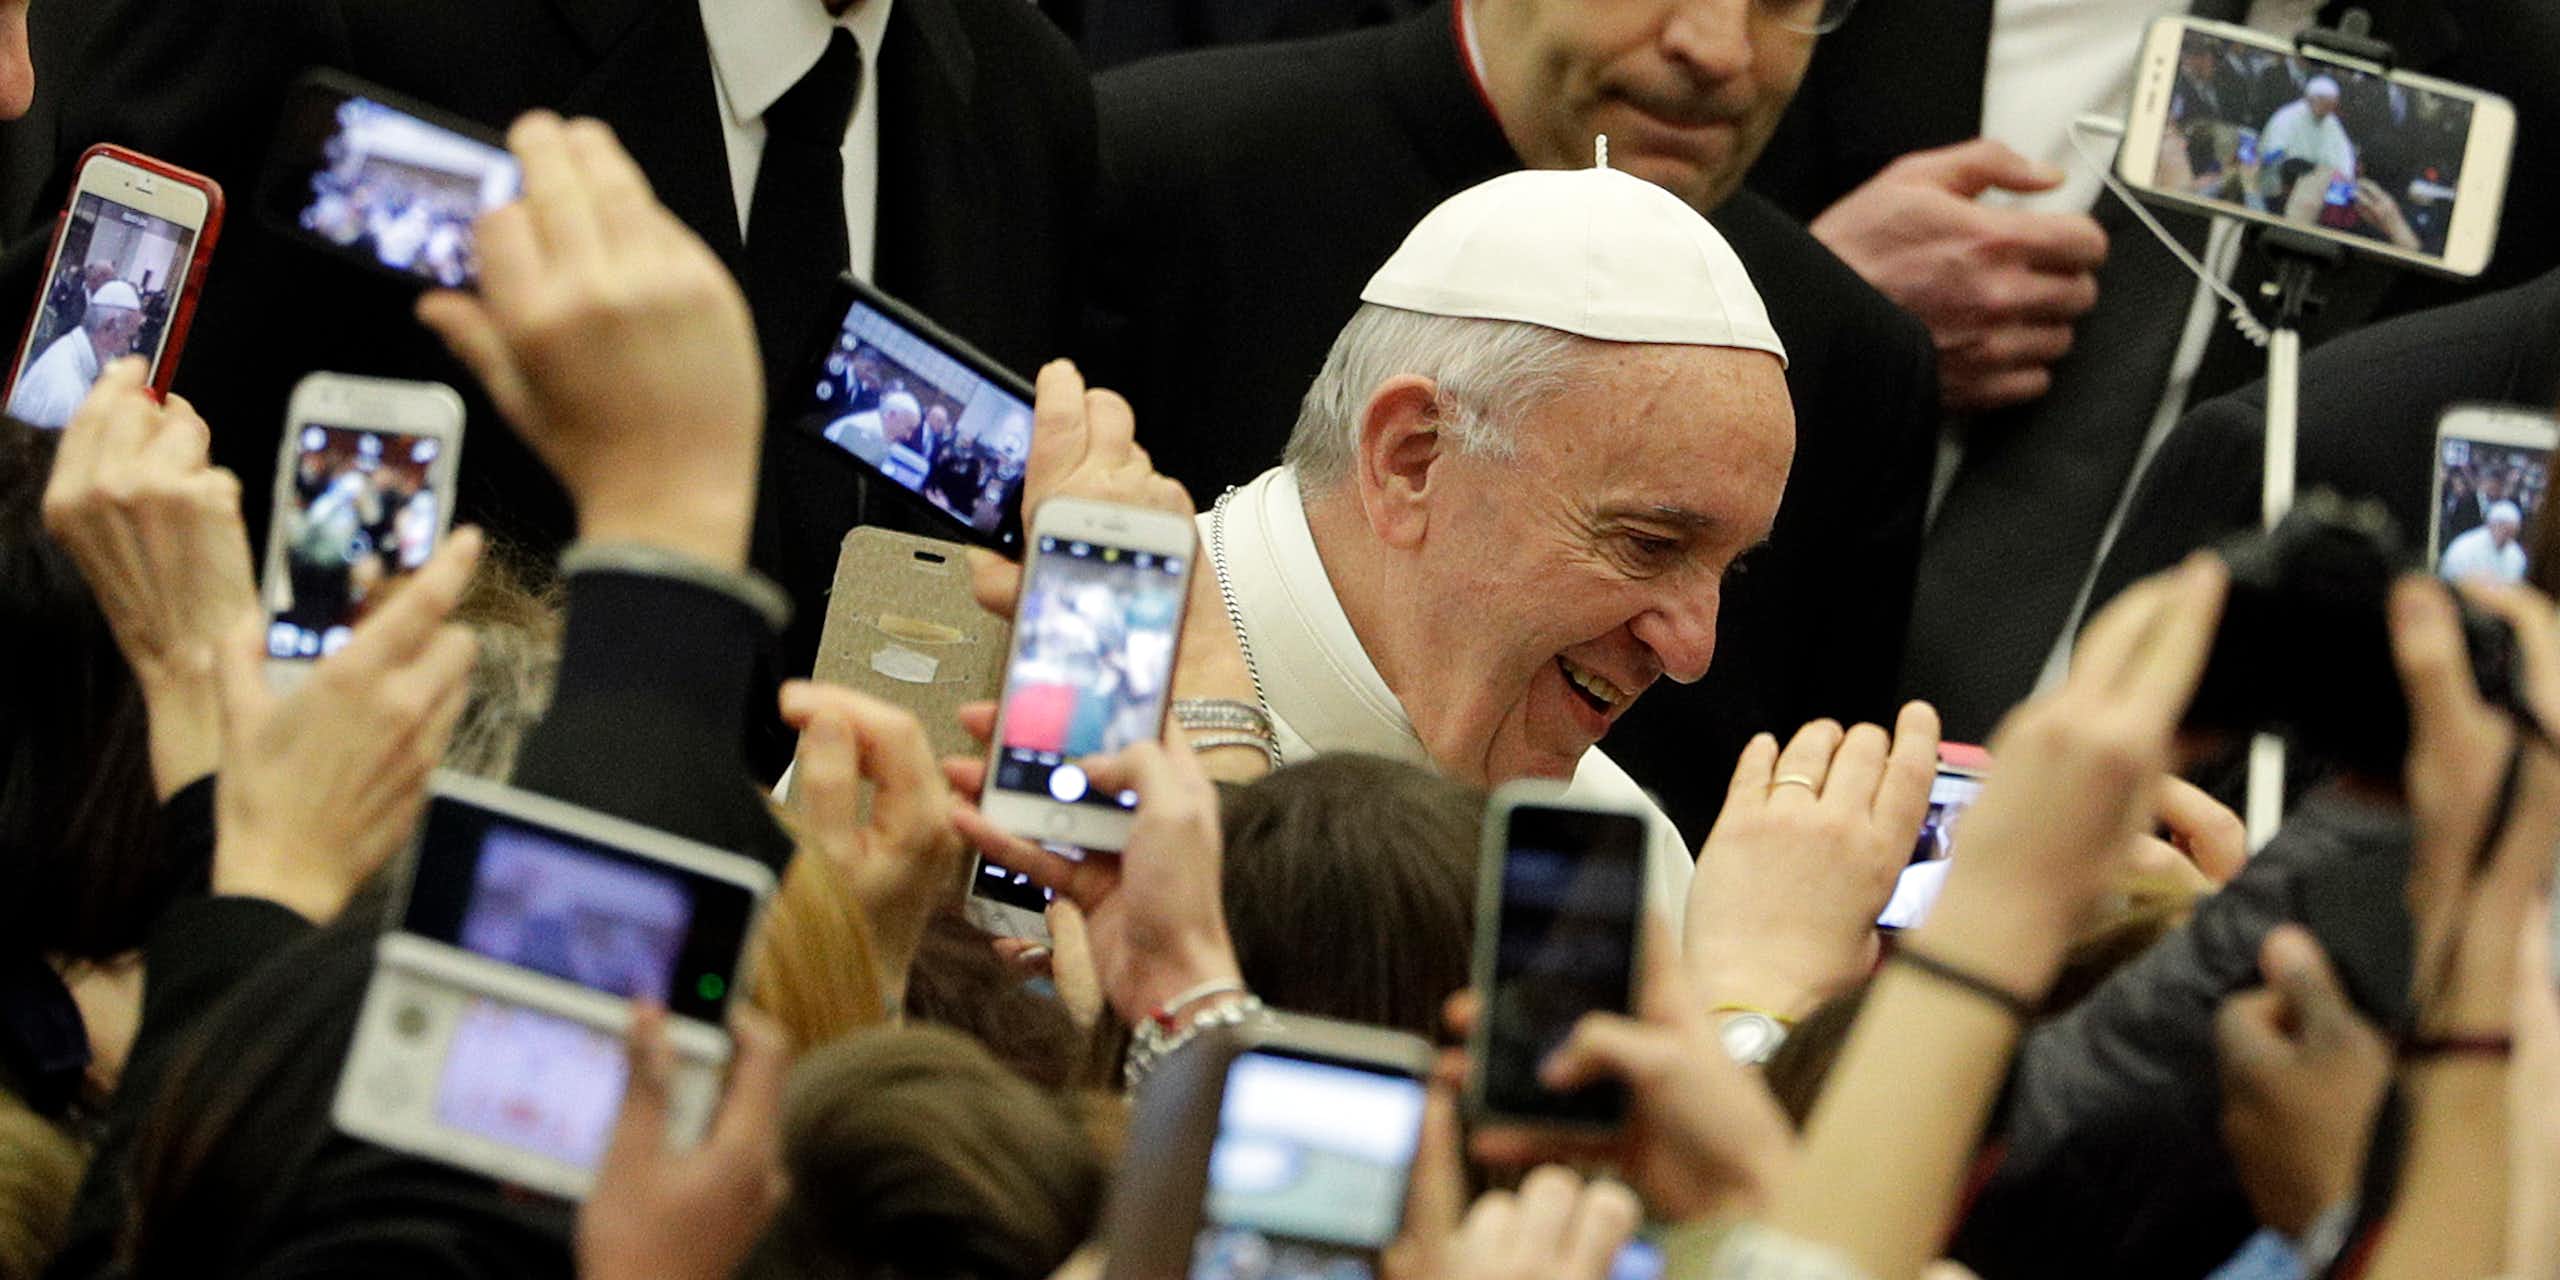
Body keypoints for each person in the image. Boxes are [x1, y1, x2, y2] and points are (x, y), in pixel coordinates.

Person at [1088, 0, 1938, 840]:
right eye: (1647, 542)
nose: (1693, 655)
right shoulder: (1083, 682)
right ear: (1410, 458)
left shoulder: (1625, 843)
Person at [1750, 0, 2560, 743]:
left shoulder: (2523, 84)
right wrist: (1811, 319)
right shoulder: (1839, 30)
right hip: (1726, 706)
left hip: (2182, 802)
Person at [6, 280, 140, 429]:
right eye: (129, 338)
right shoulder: (65, 392)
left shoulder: (71, 353)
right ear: (109, 326)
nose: (127, 350)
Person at [2258, 75, 2358, 187]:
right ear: (2310, 99)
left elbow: (2343, 154)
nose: (2327, 109)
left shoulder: (2331, 122)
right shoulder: (2288, 116)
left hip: (2319, 183)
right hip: (2285, 180)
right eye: (2323, 103)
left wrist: (2342, 175)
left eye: (2331, 105)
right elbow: (2275, 153)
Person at [823, 389, 923, 472]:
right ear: (891, 415)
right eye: (909, 428)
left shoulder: (876, 431)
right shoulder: (861, 431)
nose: (908, 436)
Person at [2438, 499, 2527, 583]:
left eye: (2511, 532)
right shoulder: (2465, 547)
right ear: (2491, 525)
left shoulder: (2516, 555)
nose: (2506, 534)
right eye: (2503, 527)